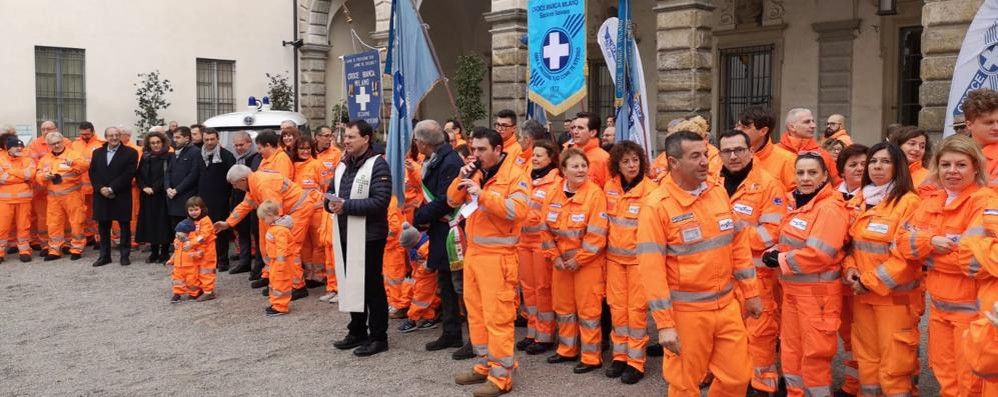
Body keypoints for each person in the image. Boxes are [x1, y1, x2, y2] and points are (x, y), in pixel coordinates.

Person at [637, 131, 762, 395]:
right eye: (695, 156)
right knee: (685, 384)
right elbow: (652, 270)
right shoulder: (657, 207)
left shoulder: (717, 192)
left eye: (706, 154)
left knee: (738, 377)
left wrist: (751, 293)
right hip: (687, 315)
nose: (705, 161)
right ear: (673, 162)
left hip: (726, 307)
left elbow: (737, 246)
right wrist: (665, 324)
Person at [895, 135, 995, 396]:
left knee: (970, 382)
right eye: (946, 165)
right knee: (945, 377)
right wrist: (933, 242)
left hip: (972, 313)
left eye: (961, 165)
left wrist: (925, 252)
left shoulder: (986, 202)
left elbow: (974, 262)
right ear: (937, 167)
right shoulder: (931, 201)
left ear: (976, 167)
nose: (952, 171)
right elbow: (901, 244)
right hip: (938, 309)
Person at [447, 127, 530, 396]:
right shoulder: (476, 172)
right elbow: (451, 200)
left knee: (498, 319)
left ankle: (502, 376)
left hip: (499, 259)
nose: (476, 154)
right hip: (475, 254)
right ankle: (484, 364)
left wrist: (482, 194)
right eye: (473, 149)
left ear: (498, 149)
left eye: (482, 149)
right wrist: (462, 178)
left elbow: (517, 211)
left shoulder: (515, 175)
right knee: (477, 315)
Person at [764, 152, 849, 396]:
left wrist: (780, 259)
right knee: (791, 351)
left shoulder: (830, 208)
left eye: (812, 173)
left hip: (818, 297)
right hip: (793, 292)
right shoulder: (799, 204)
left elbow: (820, 254)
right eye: (800, 172)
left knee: (814, 356)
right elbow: (791, 241)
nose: (805, 178)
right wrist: (777, 250)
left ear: (825, 176)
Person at [841, 142, 922, 396]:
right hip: (863, 298)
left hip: (894, 301)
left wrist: (868, 281)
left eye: (885, 161)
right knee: (867, 362)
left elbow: (906, 256)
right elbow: (851, 245)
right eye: (873, 162)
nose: (877, 166)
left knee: (895, 366)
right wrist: (850, 269)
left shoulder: (909, 203)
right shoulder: (860, 200)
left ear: (898, 167)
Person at [716, 129, 787, 394]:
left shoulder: (768, 184)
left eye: (739, 150)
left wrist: (731, 233)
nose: (733, 156)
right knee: (728, 332)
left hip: (757, 276)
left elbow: (772, 232)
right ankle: (732, 378)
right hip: (721, 274)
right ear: (720, 154)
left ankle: (762, 382)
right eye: (727, 151)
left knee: (761, 331)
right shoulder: (712, 184)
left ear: (750, 151)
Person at [326, 119, 392, 357]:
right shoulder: (343, 163)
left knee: (372, 286)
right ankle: (357, 330)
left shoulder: (378, 165)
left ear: (366, 139)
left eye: (351, 136)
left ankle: (378, 336)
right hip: (345, 230)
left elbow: (380, 201)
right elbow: (330, 193)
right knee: (350, 283)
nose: (346, 140)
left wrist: (346, 206)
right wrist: (329, 203)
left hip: (370, 235)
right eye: (345, 136)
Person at [540, 148, 608, 373]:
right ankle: (567, 350)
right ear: (564, 170)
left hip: (587, 265)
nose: (580, 170)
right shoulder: (553, 192)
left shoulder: (595, 194)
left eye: (583, 166)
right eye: (575, 166)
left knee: (588, 311)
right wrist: (555, 257)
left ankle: (591, 356)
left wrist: (580, 259)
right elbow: (544, 229)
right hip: (561, 265)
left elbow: (597, 235)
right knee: (564, 308)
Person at [411, 120, 467, 355]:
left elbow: (446, 200)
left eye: (416, 141)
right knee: (445, 284)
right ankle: (450, 332)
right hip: (440, 230)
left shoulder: (450, 161)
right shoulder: (436, 158)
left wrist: (420, 216)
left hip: (452, 231)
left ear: (423, 143)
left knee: (460, 288)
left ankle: (474, 339)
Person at [218, 165, 315, 298]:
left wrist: (276, 232)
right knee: (273, 247)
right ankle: (275, 279)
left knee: (289, 249)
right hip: (290, 211)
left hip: (298, 210)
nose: (235, 188)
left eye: (235, 184)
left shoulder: (262, 184)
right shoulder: (254, 182)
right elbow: (246, 205)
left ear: (242, 180)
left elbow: (274, 212)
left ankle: (297, 286)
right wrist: (228, 223)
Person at [602, 141, 654, 384]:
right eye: (626, 161)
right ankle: (620, 356)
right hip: (614, 260)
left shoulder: (651, 190)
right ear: (617, 165)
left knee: (636, 311)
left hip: (638, 262)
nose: (631, 165)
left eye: (635, 160)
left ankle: (636, 361)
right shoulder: (609, 188)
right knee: (617, 310)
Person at [516, 140, 560, 356]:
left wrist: (520, 216)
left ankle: (545, 334)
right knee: (528, 289)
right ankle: (532, 330)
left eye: (539, 156)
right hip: (523, 241)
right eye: (534, 155)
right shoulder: (526, 177)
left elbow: (546, 215)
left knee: (543, 289)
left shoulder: (555, 182)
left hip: (541, 243)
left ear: (550, 159)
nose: (534, 158)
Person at [89, 126, 138, 267]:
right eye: (111, 135)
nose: (114, 138)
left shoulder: (130, 153)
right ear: (106, 137)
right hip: (101, 194)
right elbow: (93, 173)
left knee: (124, 226)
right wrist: (101, 188)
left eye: (117, 135)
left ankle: (124, 255)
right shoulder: (97, 152)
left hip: (120, 194)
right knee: (103, 226)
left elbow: (129, 174)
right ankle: (104, 256)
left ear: (121, 136)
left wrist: (111, 188)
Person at [36, 132, 88, 261]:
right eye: (53, 144)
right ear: (48, 145)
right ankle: (54, 249)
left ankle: (76, 248)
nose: (57, 145)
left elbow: (85, 166)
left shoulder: (73, 155)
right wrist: (44, 177)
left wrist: (73, 164)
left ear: (63, 142)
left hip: (72, 195)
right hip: (53, 197)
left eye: (59, 142)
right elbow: (38, 174)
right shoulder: (45, 159)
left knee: (76, 222)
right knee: (53, 223)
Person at [290, 135, 328, 288]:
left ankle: (319, 276)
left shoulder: (317, 165)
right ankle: (308, 273)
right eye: (301, 148)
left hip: (316, 211)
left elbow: (326, 188)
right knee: (304, 244)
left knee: (318, 243)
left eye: (307, 148)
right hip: (299, 212)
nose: (305, 151)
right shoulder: (292, 166)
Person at [194, 128, 235, 271]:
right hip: (203, 199)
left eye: (212, 139)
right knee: (203, 230)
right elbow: (195, 175)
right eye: (207, 139)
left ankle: (223, 260)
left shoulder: (226, 156)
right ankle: (207, 258)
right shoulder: (199, 155)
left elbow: (232, 179)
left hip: (220, 199)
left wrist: (228, 198)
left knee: (220, 231)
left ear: (217, 139)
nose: (209, 142)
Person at [735, 105, 798, 189]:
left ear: (763, 131)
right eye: (737, 125)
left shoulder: (787, 160)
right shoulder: (728, 156)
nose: (737, 130)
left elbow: (796, 195)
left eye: (744, 127)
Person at [229, 131, 263, 275]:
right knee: (242, 231)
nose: (238, 148)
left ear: (250, 143)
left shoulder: (257, 158)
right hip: (240, 198)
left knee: (257, 233)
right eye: (236, 145)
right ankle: (244, 262)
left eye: (241, 144)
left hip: (254, 200)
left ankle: (259, 265)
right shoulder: (236, 159)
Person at [136, 131, 173, 263]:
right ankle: (154, 251)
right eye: (152, 143)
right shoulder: (145, 157)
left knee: (163, 224)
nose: (156, 145)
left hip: (161, 195)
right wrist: (143, 187)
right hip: (147, 195)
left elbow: (168, 175)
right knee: (150, 223)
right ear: (148, 144)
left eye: (158, 142)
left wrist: (154, 188)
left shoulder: (169, 156)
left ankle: (164, 252)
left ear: (163, 143)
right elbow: (138, 174)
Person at [397, 222, 441, 332]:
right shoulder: (421, 242)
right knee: (426, 298)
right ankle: (429, 318)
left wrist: (422, 270)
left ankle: (412, 319)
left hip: (426, 276)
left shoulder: (424, 246)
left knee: (420, 298)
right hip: (422, 275)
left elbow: (430, 262)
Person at [779, 108, 840, 185]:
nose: (813, 126)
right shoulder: (775, 152)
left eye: (813, 121)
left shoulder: (823, 155)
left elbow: (838, 185)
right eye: (807, 122)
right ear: (792, 127)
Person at [256, 201, 296, 315]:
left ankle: (281, 306)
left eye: (264, 218)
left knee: (280, 283)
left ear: (270, 215)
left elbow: (281, 248)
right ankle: (276, 303)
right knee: (275, 282)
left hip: (281, 262)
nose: (263, 221)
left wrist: (280, 264)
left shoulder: (280, 230)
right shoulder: (276, 227)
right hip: (276, 261)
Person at [0, 135, 35, 263]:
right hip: (4, 201)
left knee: (23, 227)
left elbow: (30, 174)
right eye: (16, 146)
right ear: (8, 148)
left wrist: (9, 171)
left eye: (21, 146)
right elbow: (1, 178)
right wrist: (21, 177)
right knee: (2, 227)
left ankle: (24, 251)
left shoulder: (28, 160)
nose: (19, 148)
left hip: (23, 201)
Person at [72, 121, 105, 246]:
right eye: (82, 134)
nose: (84, 136)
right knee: (82, 214)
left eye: (86, 134)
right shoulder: (74, 145)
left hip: (95, 185)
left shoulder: (101, 144)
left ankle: (99, 238)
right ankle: (87, 236)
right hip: (79, 186)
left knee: (97, 213)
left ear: (93, 132)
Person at [165, 126, 202, 231]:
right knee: (175, 229)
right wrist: (167, 188)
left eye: (178, 137)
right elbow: (168, 172)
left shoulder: (195, 152)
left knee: (188, 229)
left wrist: (177, 190)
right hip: (172, 198)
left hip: (186, 197)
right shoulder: (174, 153)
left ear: (187, 138)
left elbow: (193, 174)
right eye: (174, 137)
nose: (174, 140)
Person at [963, 89, 998, 185]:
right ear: (969, 125)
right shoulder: (952, 150)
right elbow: (928, 188)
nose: (996, 127)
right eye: (989, 122)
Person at [568, 112, 611, 187]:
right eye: (574, 127)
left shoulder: (603, 158)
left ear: (593, 133)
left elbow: (610, 190)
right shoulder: (567, 153)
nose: (574, 132)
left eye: (580, 128)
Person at [314, 125, 343, 192]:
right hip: (312, 195)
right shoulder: (309, 152)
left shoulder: (336, 153)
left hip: (328, 193)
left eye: (331, 136)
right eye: (326, 136)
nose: (330, 139)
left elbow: (339, 175)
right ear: (317, 137)